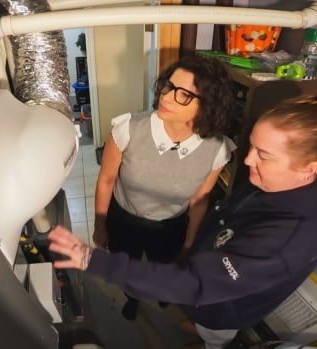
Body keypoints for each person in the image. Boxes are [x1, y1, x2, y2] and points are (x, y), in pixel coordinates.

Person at [49, 94, 317, 349]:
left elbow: (196, 284)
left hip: (223, 307)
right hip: (209, 279)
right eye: (251, 147)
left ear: (308, 169)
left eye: (264, 155)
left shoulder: (293, 237)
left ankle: (209, 337)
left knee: (216, 332)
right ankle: (199, 325)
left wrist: (94, 260)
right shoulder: (283, 183)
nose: (247, 161)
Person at [92, 55, 237, 320]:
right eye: (167, 86)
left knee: (166, 267)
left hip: (171, 225)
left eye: (183, 94)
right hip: (124, 219)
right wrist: (100, 225)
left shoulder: (217, 149)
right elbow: (106, 179)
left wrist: (189, 243)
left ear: (209, 104)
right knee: (128, 268)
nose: (166, 97)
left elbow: (200, 200)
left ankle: (162, 294)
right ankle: (132, 297)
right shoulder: (128, 128)